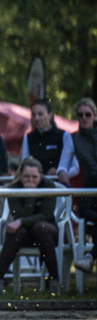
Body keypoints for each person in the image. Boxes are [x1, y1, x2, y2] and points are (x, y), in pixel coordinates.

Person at [0, 157, 60, 293]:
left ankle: (54, 280)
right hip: (24, 234)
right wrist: (30, 196)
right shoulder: (13, 189)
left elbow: (46, 215)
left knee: (40, 227)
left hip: (48, 233)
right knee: (16, 232)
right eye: (26, 177)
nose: (30, 180)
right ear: (20, 176)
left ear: (41, 175)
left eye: (34, 177)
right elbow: (18, 215)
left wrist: (22, 221)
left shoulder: (49, 186)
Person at [21, 98, 77, 187]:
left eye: (40, 114)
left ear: (50, 115)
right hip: (36, 187)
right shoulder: (28, 138)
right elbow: (24, 164)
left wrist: (59, 172)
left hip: (58, 187)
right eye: (34, 114)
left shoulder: (63, 136)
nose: (36, 118)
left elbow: (75, 167)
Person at [71, 97, 97, 272]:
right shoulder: (72, 139)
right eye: (80, 115)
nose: (84, 118)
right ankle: (90, 258)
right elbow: (66, 164)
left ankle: (90, 257)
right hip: (88, 192)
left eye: (88, 114)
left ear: (95, 116)